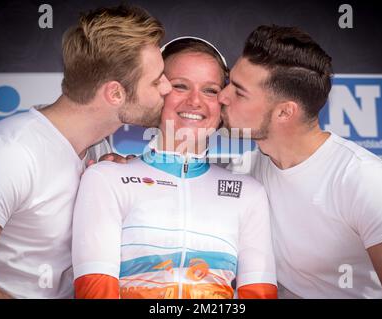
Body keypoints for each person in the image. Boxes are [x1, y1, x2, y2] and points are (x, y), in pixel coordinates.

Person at [0, 4, 171, 298]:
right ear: (115, 93)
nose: (167, 87)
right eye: (156, 80)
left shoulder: (100, 147)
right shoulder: (10, 156)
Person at [219, 24, 382, 298]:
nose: (222, 96)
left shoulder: (361, 178)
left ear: (284, 113)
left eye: (239, 92)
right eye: (229, 82)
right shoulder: (245, 170)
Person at [72, 37, 278, 299]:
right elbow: (95, 293)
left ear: (223, 102)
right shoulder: (106, 179)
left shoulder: (249, 193)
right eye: (180, 86)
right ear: (157, 93)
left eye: (210, 90)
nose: (195, 101)